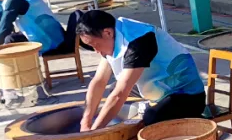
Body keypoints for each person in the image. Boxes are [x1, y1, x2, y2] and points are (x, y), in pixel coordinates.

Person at [76, 9, 205, 131]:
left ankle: (193, 125)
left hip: (186, 94)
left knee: (150, 118)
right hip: (160, 87)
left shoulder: (138, 41)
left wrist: (94, 132)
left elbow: (120, 93)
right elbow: (99, 82)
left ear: (107, 32)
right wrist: (85, 121)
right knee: (112, 89)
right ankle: (153, 106)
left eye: (95, 45)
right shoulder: (112, 35)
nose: (96, 51)